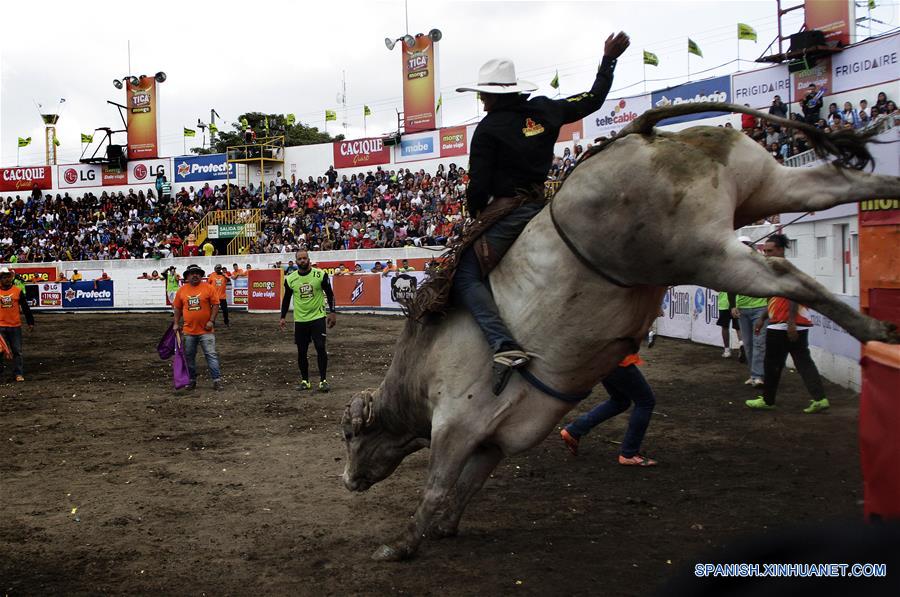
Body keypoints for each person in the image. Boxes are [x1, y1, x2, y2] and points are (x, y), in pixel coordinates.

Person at [453, 31, 630, 395]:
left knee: (464, 274)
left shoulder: (488, 130)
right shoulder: (546, 109)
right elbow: (594, 99)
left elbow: (479, 186)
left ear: (493, 95)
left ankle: (502, 344)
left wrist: (476, 213)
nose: (482, 101)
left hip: (509, 211)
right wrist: (608, 59)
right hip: (543, 203)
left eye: (484, 94)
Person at [746, 235, 829, 413]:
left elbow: (792, 295)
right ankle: (820, 399)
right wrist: (762, 317)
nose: (766, 254)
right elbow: (777, 299)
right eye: (764, 251)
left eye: (770, 251)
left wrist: (790, 322)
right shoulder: (782, 270)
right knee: (803, 362)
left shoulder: (783, 270)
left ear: (780, 250)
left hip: (784, 325)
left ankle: (768, 401)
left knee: (772, 364)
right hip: (794, 324)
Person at [560, 355, 658, 466]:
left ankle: (575, 430)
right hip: (619, 360)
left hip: (602, 361)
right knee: (645, 402)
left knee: (620, 400)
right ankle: (629, 454)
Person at [279, 250, 336, 392]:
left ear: (309, 259)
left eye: (305, 258)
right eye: (300, 259)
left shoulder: (320, 275)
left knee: (320, 347)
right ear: (296, 261)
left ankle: (323, 380)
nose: (303, 261)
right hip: (300, 320)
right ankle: (305, 381)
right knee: (301, 351)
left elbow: (330, 294)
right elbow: (286, 299)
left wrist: (332, 312)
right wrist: (282, 317)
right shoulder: (290, 279)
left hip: (318, 318)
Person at [172, 264, 222, 391]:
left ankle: (217, 380)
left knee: (211, 354)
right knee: (189, 356)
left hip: (206, 329)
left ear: (201, 275)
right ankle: (192, 380)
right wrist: (176, 323)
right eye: (192, 273)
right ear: (187, 276)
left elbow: (216, 304)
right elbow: (177, 308)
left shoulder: (209, 288)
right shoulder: (182, 290)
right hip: (189, 330)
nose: (195, 275)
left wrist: (211, 320)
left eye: (197, 273)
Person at [732, 237, 767, 387]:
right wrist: (733, 305)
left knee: (759, 343)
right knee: (748, 344)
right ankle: (754, 375)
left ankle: (757, 375)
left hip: (760, 308)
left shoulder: (762, 265)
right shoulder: (734, 267)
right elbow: (730, 286)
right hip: (743, 309)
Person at [0, 267, 34, 382]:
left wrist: (30, 321)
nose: (7, 279)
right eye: (4, 277)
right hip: (0, 326)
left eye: (8, 277)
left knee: (17, 351)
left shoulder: (17, 291)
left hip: (14, 325)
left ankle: (18, 373)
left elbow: (25, 307)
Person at [715, 290, 740, 358]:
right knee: (738, 328)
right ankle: (741, 349)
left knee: (726, 327)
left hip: (726, 303)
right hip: (734, 303)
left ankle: (727, 350)